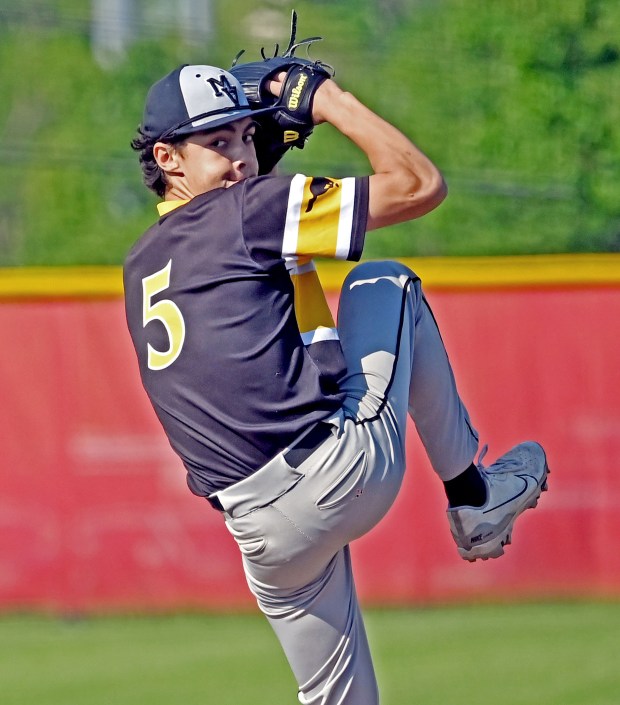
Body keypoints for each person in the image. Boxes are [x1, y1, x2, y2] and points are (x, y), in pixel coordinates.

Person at [124, 61, 548, 705]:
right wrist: (327, 101)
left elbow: (249, 291)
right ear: (167, 157)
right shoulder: (251, 211)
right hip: (334, 475)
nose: (239, 157)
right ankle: (475, 497)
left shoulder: (141, 265)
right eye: (217, 144)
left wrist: (252, 161)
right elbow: (418, 184)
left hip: (261, 538)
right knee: (386, 283)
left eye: (243, 136)